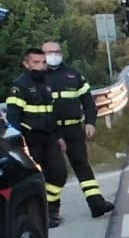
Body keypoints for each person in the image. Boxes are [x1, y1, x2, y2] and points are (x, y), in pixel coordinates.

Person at [40, 38, 114, 220]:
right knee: (55, 172)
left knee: (82, 167)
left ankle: (96, 203)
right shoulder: (37, 78)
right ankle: (51, 212)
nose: (54, 56)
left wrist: (90, 122)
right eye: (49, 53)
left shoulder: (73, 75)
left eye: (57, 52)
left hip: (73, 129)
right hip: (50, 133)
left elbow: (88, 102)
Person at [6, 48, 69, 226]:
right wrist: (18, 142)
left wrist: (59, 137)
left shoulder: (47, 83)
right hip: (30, 139)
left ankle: (51, 210)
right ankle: (37, 215)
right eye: (36, 62)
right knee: (35, 179)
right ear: (26, 64)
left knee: (58, 174)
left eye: (43, 62)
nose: (41, 66)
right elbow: (13, 116)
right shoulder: (19, 85)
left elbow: (52, 113)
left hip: (49, 138)